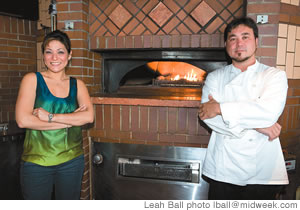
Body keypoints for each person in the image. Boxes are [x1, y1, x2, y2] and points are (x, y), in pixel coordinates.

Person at [198, 17, 288, 200]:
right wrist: (260, 126)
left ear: (256, 41)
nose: (239, 44)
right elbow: (208, 117)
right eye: (233, 38)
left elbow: (268, 112)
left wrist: (220, 108)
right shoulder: (215, 78)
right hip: (223, 169)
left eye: (245, 37)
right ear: (226, 44)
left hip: (262, 170)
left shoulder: (274, 75)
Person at [15, 30, 94, 200]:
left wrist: (50, 116)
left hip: (72, 161)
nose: (54, 57)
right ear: (43, 55)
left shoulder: (78, 84)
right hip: (37, 162)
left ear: (69, 55)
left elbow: (88, 117)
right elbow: (23, 120)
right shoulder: (32, 80)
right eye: (49, 52)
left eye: (60, 52)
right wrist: (71, 120)